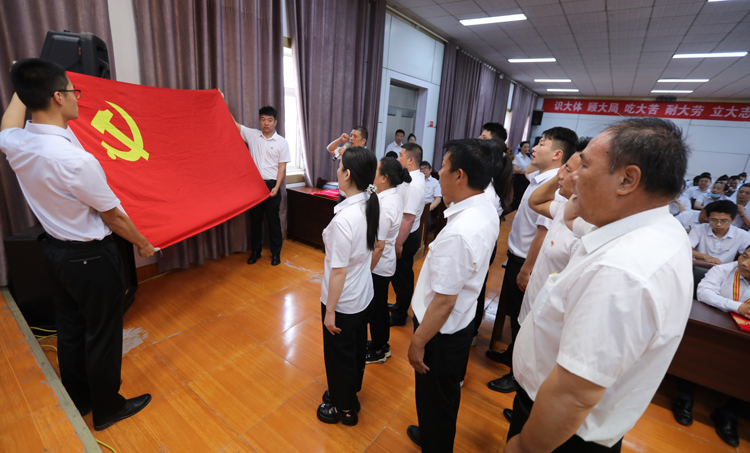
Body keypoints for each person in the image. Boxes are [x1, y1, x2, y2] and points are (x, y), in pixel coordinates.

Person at [506, 117, 693, 453]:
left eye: (585, 165)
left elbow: (574, 395)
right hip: (559, 417)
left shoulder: (623, 271)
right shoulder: (641, 225)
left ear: (627, 179)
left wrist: (524, 447)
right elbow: (568, 216)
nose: (572, 175)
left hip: (561, 433)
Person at [0, 59, 155, 430]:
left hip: (55, 253)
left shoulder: (17, 142)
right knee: (103, 333)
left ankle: (79, 397)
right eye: (73, 91)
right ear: (58, 97)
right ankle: (108, 408)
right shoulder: (75, 161)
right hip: (91, 259)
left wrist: (22, 84)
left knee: (69, 328)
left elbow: (8, 124)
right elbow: (114, 217)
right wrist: (143, 244)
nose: (76, 97)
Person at [404, 139, 500, 452]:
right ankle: (433, 434)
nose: (438, 173)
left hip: (440, 332)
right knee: (442, 395)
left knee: (435, 395)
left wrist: (417, 342)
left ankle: (436, 443)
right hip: (459, 321)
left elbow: (444, 301)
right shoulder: (485, 207)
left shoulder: (460, 232)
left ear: (459, 175)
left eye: (443, 167)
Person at [485, 127, 578, 394]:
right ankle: (513, 357)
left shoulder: (557, 189)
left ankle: (517, 375)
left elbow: (542, 232)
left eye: (542, 144)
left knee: (523, 319)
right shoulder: (540, 179)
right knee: (517, 313)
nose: (534, 148)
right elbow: (527, 171)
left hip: (529, 261)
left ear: (557, 154)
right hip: (518, 256)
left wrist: (526, 270)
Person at [318, 147, 380, 426]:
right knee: (354, 350)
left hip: (343, 302)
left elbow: (339, 270)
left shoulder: (344, 219)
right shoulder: (369, 203)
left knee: (339, 355)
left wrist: (330, 311)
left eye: (340, 165)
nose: (337, 169)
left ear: (347, 175)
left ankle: (343, 408)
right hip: (362, 294)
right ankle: (349, 393)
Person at [672, 251, 750, 447]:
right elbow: (704, 292)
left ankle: (729, 413)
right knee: (699, 345)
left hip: (745, 337)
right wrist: (737, 307)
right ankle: (685, 398)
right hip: (715, 328)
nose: (745, 263)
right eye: (744, 256)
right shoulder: (723, 270)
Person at [233, 106, 291, 266]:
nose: (266, 123)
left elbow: (282, 167)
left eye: (270, 120)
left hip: (273, 185)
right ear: (259, 121)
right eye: (263, 119)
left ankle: (276, 254)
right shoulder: (252, 135)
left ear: (275, 122)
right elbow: (234, 124)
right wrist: (220, 100)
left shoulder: (282, 142)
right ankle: (255, 252)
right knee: (255, 222)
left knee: (274, 222)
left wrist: (277, 187)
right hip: (255, 186)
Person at [365, 157, 409, 364]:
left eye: (376, 171)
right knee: (380, 307)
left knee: (376, 309)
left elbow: (379, 245)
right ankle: (381, 344)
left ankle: (378, 350)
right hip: (384, 261)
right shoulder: (391, 195)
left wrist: (366, 272)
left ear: (384, 178)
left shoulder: (386, 205)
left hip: (379, 264)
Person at [472, 142, 513, 343]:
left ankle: (470, 330)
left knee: (474, 287)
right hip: (484, 241)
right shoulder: (494, 184)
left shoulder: (487, 192)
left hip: (479, 242)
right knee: (477, 285)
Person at [389, 143, 427, 326]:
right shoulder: (410, 178)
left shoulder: (414, 185)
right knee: (400, 276)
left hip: (405, 237)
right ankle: (399, 307)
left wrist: (398, 244)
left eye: (401, 155)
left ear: (411, 160)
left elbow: (408, 218)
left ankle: (399, 316)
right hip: (404, 235)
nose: (398, 158)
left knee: (402, 279)